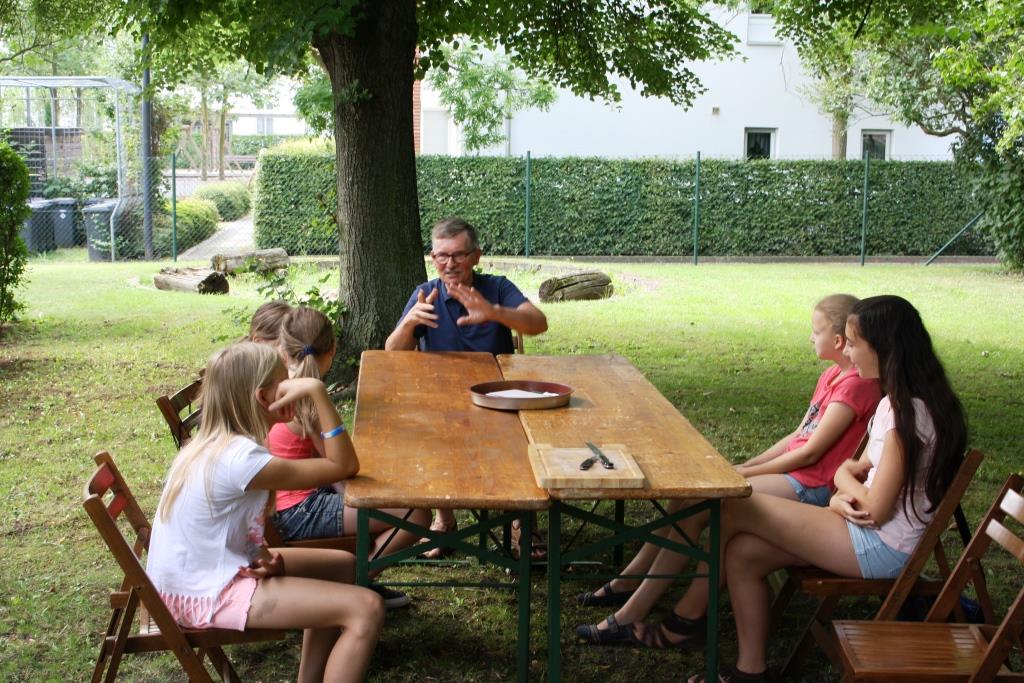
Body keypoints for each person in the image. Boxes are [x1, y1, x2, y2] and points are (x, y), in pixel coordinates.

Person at [657, 295, 967, 683]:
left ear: (883, 347)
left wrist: (841, 488)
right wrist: (843, 486)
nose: (848, 352)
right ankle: (750, 672)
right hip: (866, 530)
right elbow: (857, 472)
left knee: (733, 505)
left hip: (882, 545)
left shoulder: (906, 413)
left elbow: (874, 505)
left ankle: (684, 620)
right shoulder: (903, 403)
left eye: (853, 343)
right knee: (743, 553)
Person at [576, 294, 882, 644]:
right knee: (686, 500)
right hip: (794, 477)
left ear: (839, 340)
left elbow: (809, 454)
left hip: (810, 486)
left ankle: (640, 611)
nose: (810, 337)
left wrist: (744, 475)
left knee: (701, 503)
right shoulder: (832, 376)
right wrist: (748, 465)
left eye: (816, 331)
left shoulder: (857, 386)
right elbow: (798, 436)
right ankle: (632, 581)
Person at [147, 342, 384, 683]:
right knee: (366, 609)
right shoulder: (240, 460)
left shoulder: (212, 444)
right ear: (262, 397)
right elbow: (344, 465)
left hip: (199, 575)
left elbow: (219, 525)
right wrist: (317, 392)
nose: (293, 385)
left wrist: (259, 553)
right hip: (204, 592)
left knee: (343, 566)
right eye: (284, 381)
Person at [384, 216, 548, 557]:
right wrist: (409, 324)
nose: (450, 263)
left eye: (458, 254)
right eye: (442, 255)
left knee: (520, 437)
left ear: (475, 256)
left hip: (497, 396)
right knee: (426, 431)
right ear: (433, 258)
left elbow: (538, 323)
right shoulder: (425, 294)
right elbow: (392, 353)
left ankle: (521, 524)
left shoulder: (497, 288)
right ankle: (444, 521)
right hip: (441, 398)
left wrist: (495, 312)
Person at [269, 307, 431, 607]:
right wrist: (366, 497)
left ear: (282, 350)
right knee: (417, 514)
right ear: (332, 349)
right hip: (296, 512)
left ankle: (353, 579)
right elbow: (342, 469)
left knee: (389, 499)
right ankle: (356, 583)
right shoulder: (309, 399)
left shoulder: (278, 387)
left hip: (283, 505)